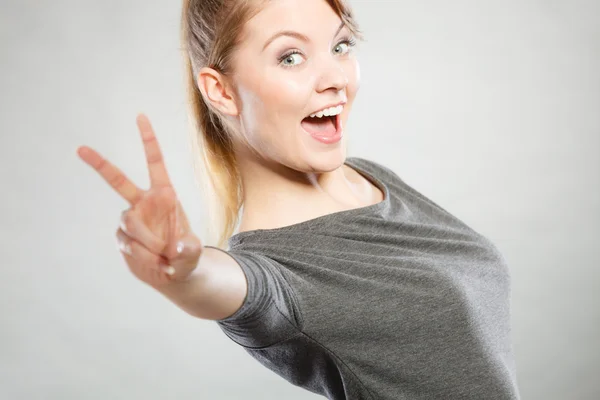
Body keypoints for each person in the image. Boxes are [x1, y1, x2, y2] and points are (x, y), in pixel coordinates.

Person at [77, 0, 521, 398]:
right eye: (290, 57)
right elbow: (234, 288)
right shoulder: (277, 272)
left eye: (341, 45)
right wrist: (183, 272)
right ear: (222, 91)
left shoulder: (372, 178)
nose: (335, 79)